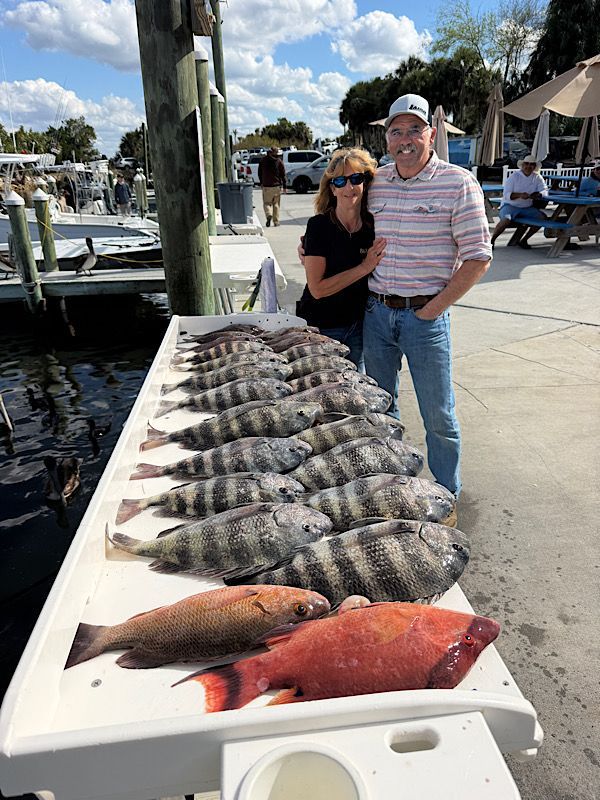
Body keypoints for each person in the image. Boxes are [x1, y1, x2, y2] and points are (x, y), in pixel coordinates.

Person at [363, 93, 492, 498]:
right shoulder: (376, 181)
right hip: (376, 313)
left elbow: (478, 257)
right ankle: (393, 488)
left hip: (425, 318)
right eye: (396, 131)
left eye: (414, 130)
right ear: (387, 139)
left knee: (438, 415)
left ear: (431, 135)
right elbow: (342, 216)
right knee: (379, 408)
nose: (405, 139)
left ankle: (446, 494)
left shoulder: (458, 183)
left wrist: (432, 309)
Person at [296, 147, 386, 368]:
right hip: (322, 327)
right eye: (340, 181)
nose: (349, 187)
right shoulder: (319, 227)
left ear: (365, 183)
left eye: (356, 179)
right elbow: (317, 289)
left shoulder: (374, 227)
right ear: (332, 189)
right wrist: (364, 267)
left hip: (360, 326)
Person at [490, 155, 548, 249]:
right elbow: (506, 194)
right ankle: (492, 241)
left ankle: (524, 240)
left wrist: (539, 194)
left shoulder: (537, 177)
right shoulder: (514, 176)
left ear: (534, 166)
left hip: (527, 207)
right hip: (510, 205)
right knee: (506, 219)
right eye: (526, 164)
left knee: (543, 218)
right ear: (523, 165)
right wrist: (520, 195)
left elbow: (545, 190)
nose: (528, 166)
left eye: (531, 164)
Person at [258, 147, 285, 227]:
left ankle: (268, 214)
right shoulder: (279, 161)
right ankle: (276, 221)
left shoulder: (263, 160)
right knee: (276, 204)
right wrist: (285, 185)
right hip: (276, 186)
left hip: (266, 186)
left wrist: (261, 182)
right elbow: (283, 174)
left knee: (267, 203)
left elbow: (259, 173)